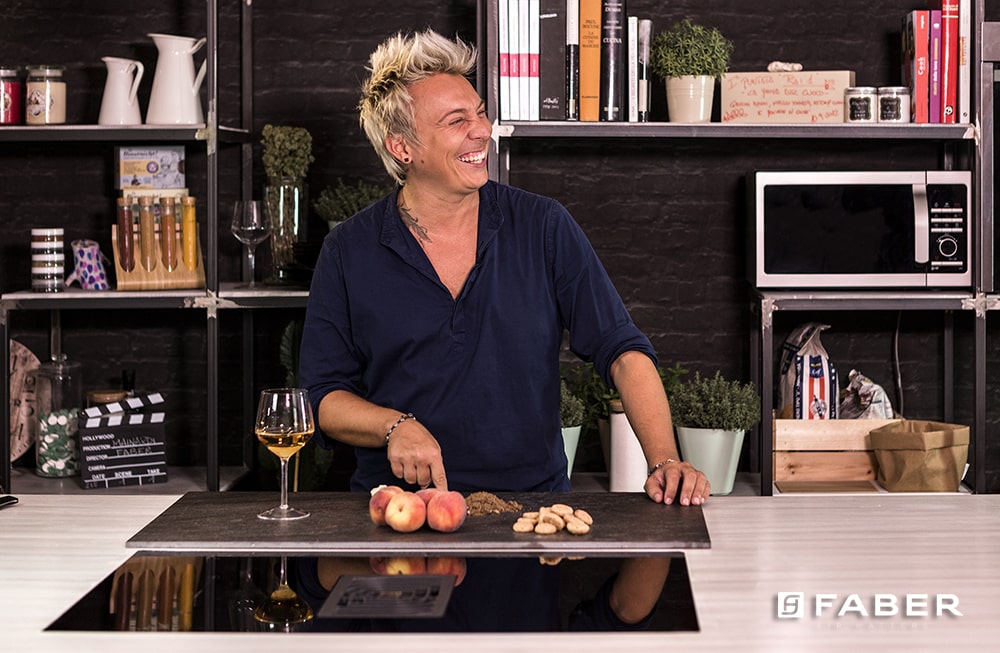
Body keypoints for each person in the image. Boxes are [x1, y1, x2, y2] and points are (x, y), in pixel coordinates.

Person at [297, 27, 709, 631]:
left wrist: (665, 461)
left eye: (480, 114)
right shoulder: (348, 251)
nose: (481, 132)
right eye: (457, 120)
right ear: (402, 146)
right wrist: (394, 425)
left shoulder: (544, 226)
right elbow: (320, 397)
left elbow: (623, 351)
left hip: (531, 520)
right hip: (399, 523)